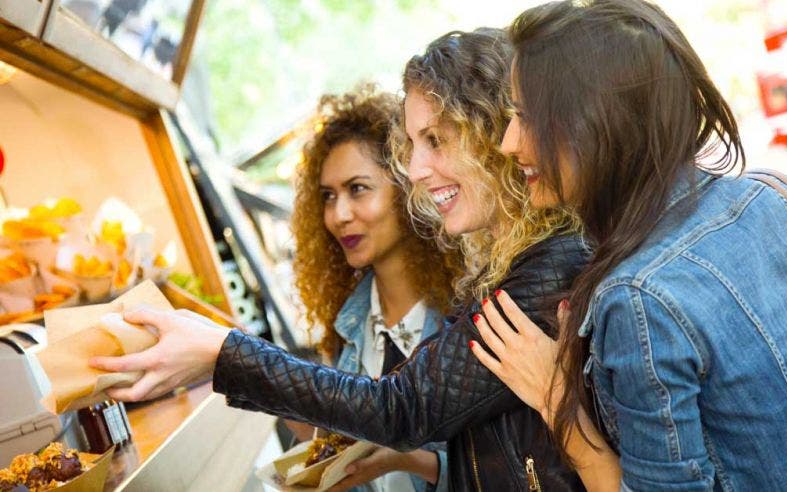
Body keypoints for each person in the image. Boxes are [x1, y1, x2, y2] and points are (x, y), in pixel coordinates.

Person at [90, 28, 592, 491]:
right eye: (412, 146)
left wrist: (224, 352)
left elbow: (403, 407)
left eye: (435, 140)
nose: (415, 170)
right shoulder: (509, 265)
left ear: (492, 133)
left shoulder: (550, 266)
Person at [472, 1, 787, 491]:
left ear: (594, 124)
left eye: (524, 116)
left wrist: (560, 409)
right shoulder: (778, 195)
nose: (508, 142)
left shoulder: (637, 296)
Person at [288, 86, 459, 491]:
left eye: (357, 189)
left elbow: (506, 469)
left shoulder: (466, 311)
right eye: (328, 197)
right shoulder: (347, 324)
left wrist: (417, 462)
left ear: (406, 188)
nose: (338, 215)